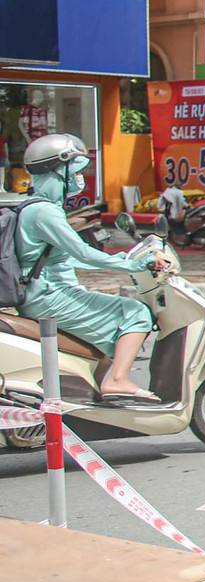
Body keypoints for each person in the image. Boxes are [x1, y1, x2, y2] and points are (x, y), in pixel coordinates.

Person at [15, 134, 168, 403]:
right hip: (49, 296)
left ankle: (99, 389)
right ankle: (117, 380)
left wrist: (123, 260)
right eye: (73, 171)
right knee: (134, 312)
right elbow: (83, 253)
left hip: (44, 292)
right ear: (55, 171)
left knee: (111, 320)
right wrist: (131, 263)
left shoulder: (34, 207)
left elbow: (60, 259)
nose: (78, 179)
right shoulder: (44, 212)